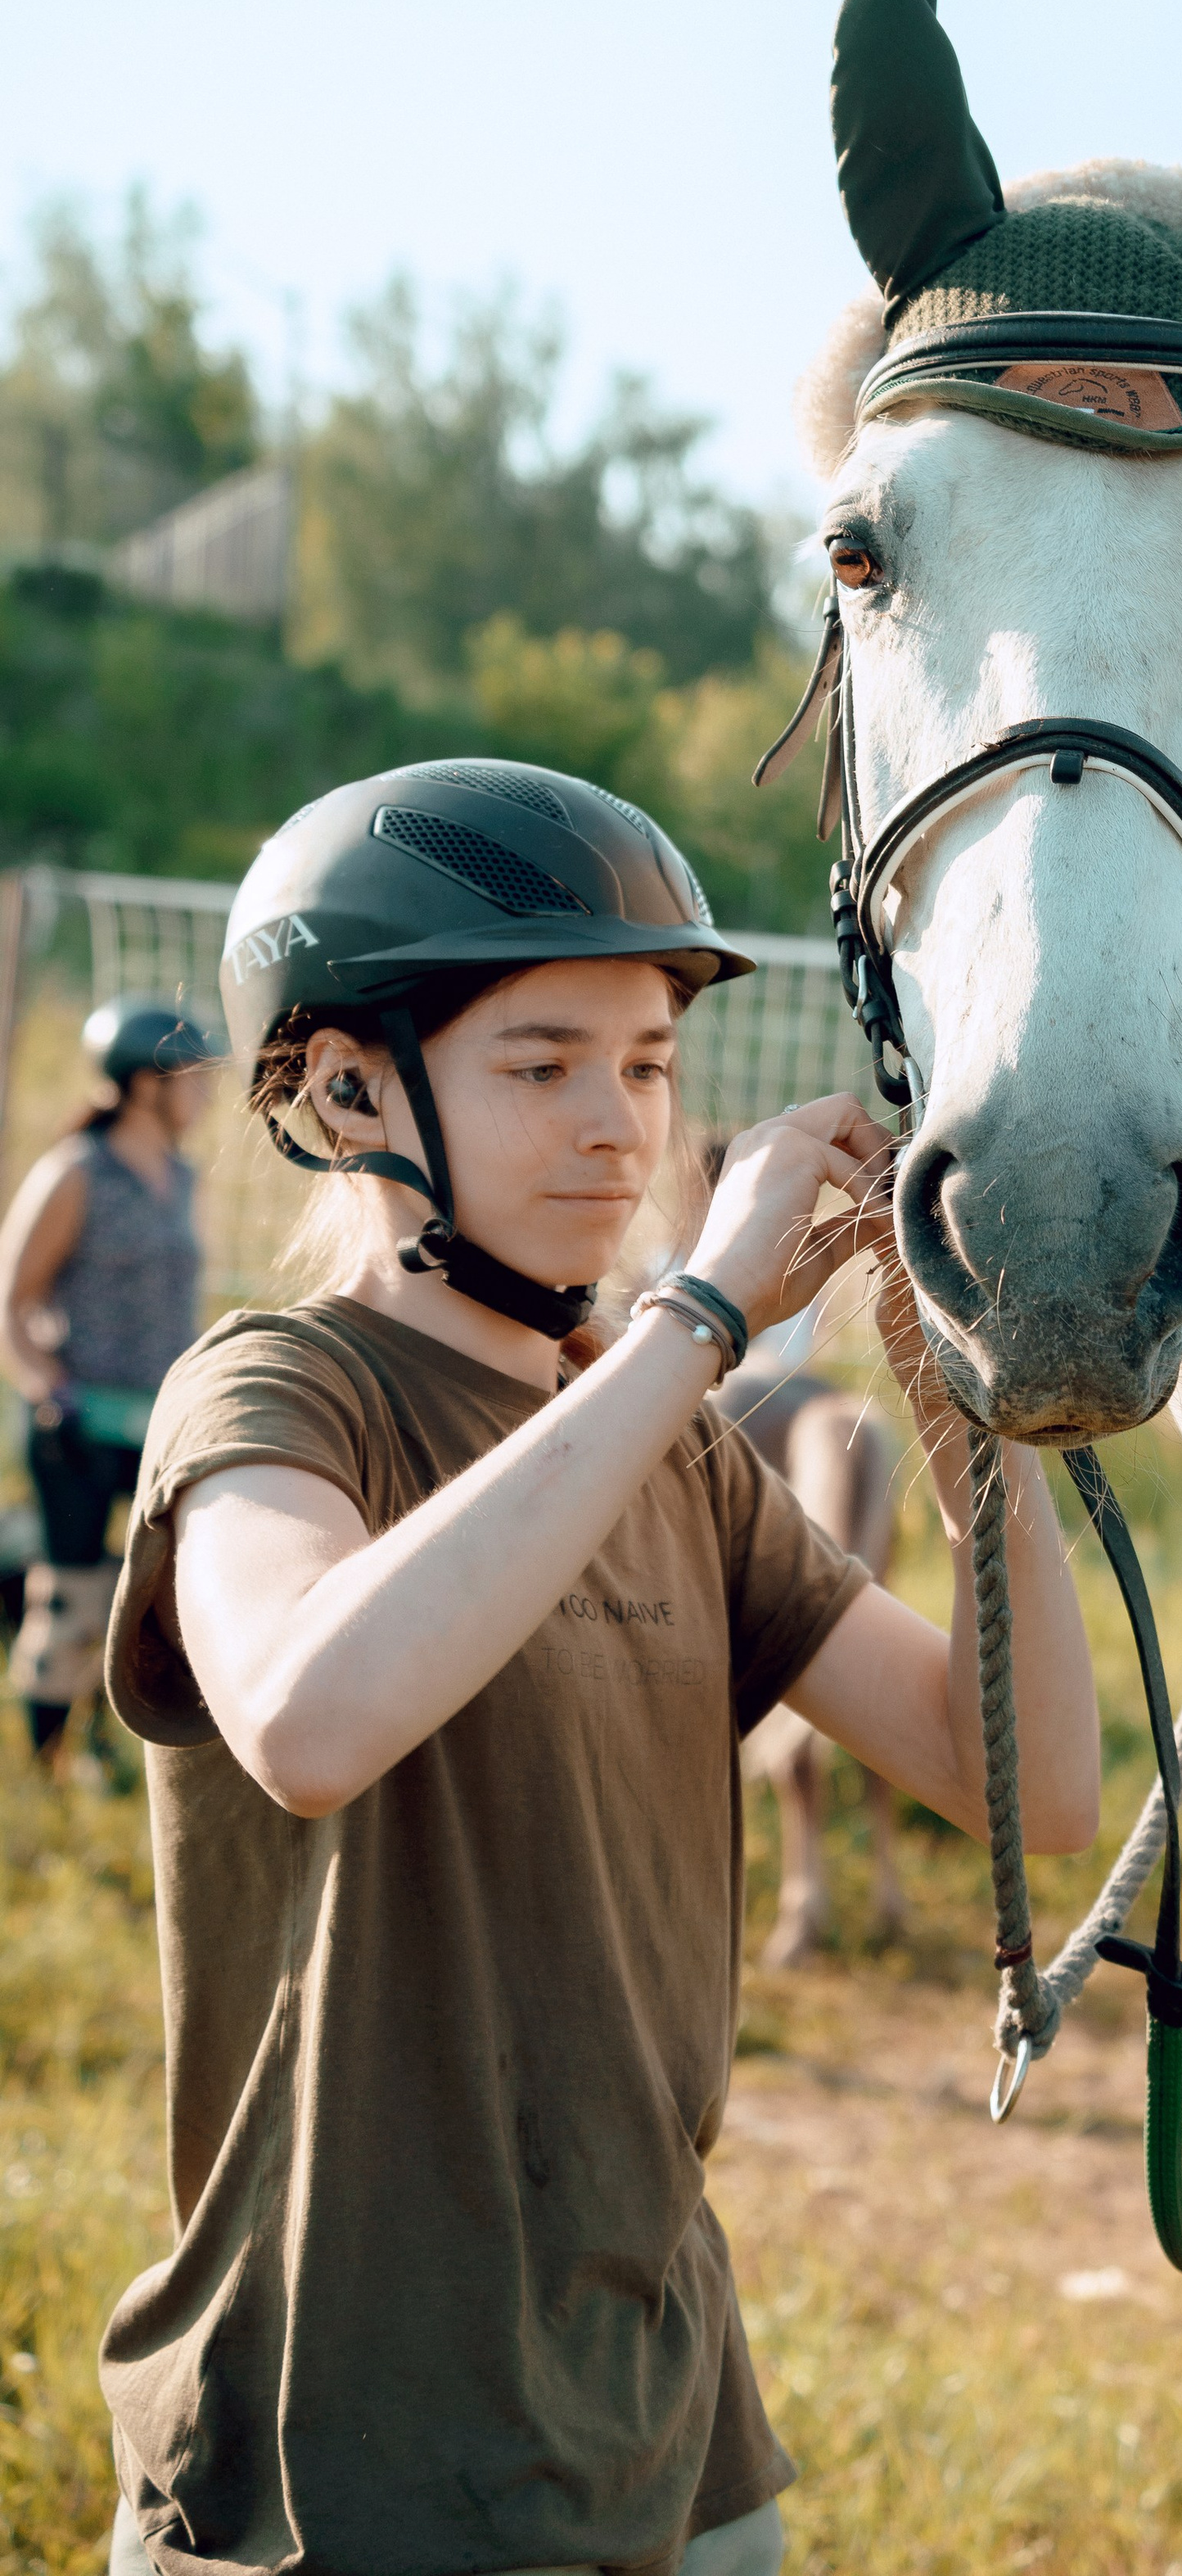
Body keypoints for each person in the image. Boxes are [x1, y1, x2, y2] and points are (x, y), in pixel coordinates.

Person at [98, 758, 1099, 2576]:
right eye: (539, 1063)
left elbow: (1016, 1783)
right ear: (342, 1094)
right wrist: (695, 1322)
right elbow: (311, 1717)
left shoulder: (676, 1446)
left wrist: (979, 1432)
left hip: (670, 2431)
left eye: (646, 1065)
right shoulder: (275, 1392)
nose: (620, 1129)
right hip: (338, 2448)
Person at [0, 997, 217, 1766]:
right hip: (78, 1425)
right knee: (70, 1592)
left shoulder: (182, 1176)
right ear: (142, 1084)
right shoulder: (76, 1174)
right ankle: (46, 1756)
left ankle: (106, 1739)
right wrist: (46, 1391)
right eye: (191, 1079)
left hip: (157, 1424)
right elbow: (14, 1300)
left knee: (144, 1596)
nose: (205, 1094)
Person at [722, 1285, 909, 1969]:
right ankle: (886, 1881)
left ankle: (806, 1893)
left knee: (796, 1656)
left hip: (750, 1409)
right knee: (873, 1659)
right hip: (848, 1418)